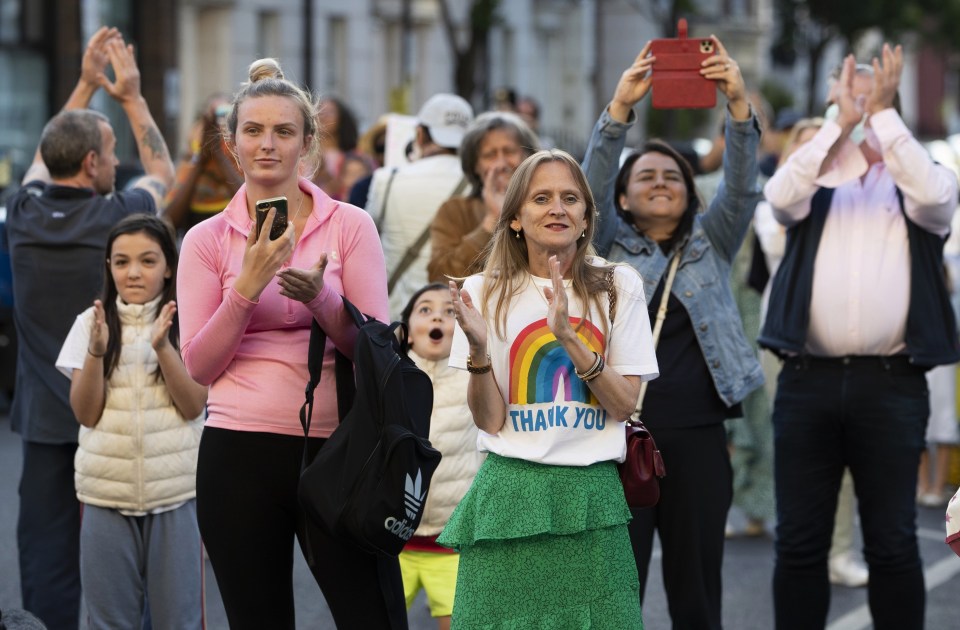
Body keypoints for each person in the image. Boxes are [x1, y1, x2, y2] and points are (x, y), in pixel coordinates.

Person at [176, 58, 403, 629]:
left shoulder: (349, 224)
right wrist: (247, 288)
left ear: (307, 144)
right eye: (253, 131)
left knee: (368, 615)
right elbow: (199, 365)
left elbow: (375, 350)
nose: (267, 144)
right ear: (232, 146)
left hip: (337, 448)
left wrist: (320, 300)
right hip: (237, 451)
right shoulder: (206, 240)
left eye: (283, 131)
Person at [759, 46, 960, 629]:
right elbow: (778, 197)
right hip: (806, 382)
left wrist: (885, 115)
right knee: (798, 542)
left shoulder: (921, 188)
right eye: (851, 97)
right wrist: (839, 124)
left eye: (873, 98)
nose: (862, 107)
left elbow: (936, 194)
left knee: (893, 543)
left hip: (891, 384)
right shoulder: (813, 181)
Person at [582, 39, 763, 628]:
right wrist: (618, 111)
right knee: (616, 585)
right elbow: (591, 183)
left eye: (673, 176)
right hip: (618, 433)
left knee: (697, 586)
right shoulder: (606, 244)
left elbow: (740, 184)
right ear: (624, 202)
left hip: (700, 438)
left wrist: (736, 102)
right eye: (646, 176)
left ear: (690, 193)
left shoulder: (713, 241)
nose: (660, 181)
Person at [438, 149, 659, 628]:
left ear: (585, 218)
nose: (557, 208)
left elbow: (624, 405)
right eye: (541, 198)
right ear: (516, 218)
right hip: (508, 492)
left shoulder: (620, 285)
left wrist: (569, 339)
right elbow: (490, 420)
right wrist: (478, 352)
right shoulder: (481, 292)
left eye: (570, 198)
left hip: (592, 495)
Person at [5, 27, 174, 629]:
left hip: (47, 422)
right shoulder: (120, 219)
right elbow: (163, 170)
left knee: (47, 559)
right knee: (133, 556)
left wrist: (81, 83)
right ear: (94, 163)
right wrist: (129, 98)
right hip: (115, 414)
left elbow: (39, 160)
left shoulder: (21, 215)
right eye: (107, 149)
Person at [55, 214, 206, 629]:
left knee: (180, 621)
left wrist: (162, 347)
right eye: (121, 262)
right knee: (109, 622)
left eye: (147, 260)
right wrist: (96, 353)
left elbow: (194, 406)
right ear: (108, 267)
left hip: (176, 495)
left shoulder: (188, 323)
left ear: (169, 266)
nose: (133, 272)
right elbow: (85, 413)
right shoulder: (90, 325)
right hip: (104, 494)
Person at [755, 117, 870, 588]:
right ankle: (800, 546)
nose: (818, 155)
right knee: (794, 453)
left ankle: (839, 550)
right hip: (786, 345)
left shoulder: (853, 203)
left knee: (846, 458)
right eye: (804, 148)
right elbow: (783, 238)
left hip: (845, 352)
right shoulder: (775, 204)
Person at [397, 282, 485, 630]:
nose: (438, 316)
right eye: (425, 309)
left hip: (452, 543)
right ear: (406, 332)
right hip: (394, 542)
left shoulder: (474, 376)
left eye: (450, 312)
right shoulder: (391, 376)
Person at [365, 93, 474, 317]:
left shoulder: (387, 178)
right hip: (460, 317)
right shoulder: (481, 185)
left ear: (420, 134)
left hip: (399, 319)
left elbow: (364, 242)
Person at [428, 111, 539, 281]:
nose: (501, 164)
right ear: (474, 166)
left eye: (509, 151)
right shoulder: (454, 211)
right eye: (490, 155)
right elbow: (440, 279)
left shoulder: (546, 208)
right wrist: (492, 219)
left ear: (527, 157)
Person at [161, 93, 243, 234]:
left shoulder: (244, 166)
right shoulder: (187, 167)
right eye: (211, 122)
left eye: (224, 116)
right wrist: (200, 161)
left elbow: (250, 206)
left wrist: (219, 156)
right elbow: (168, 222)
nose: (218, 128)